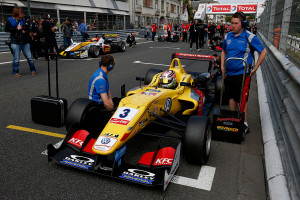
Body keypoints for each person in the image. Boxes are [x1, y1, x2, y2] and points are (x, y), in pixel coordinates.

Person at [221, 12, 267, 134]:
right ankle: (232, 119)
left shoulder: (249, 36)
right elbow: (223, 51)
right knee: (231, 97)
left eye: (236, 23)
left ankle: (244, 123)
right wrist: (222, 66)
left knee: (241, 99)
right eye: (232, 23)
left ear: (243, 24)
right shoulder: (228, 36)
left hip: (242, 73)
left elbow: (263, 51)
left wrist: (255, 68)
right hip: (229, 73)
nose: (233, 25)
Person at [5, 6, 37, 77]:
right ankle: (15, 72)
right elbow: (6, 29)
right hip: (15, 42)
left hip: (25, 42)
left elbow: (29, 29)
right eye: (21, 12)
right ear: (17, 13)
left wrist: (25, 31)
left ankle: (33, 69)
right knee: (16, 59)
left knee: (30, 57)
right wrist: (16, 29)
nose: (22, 14)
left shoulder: (23, 20)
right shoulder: (9, 20)